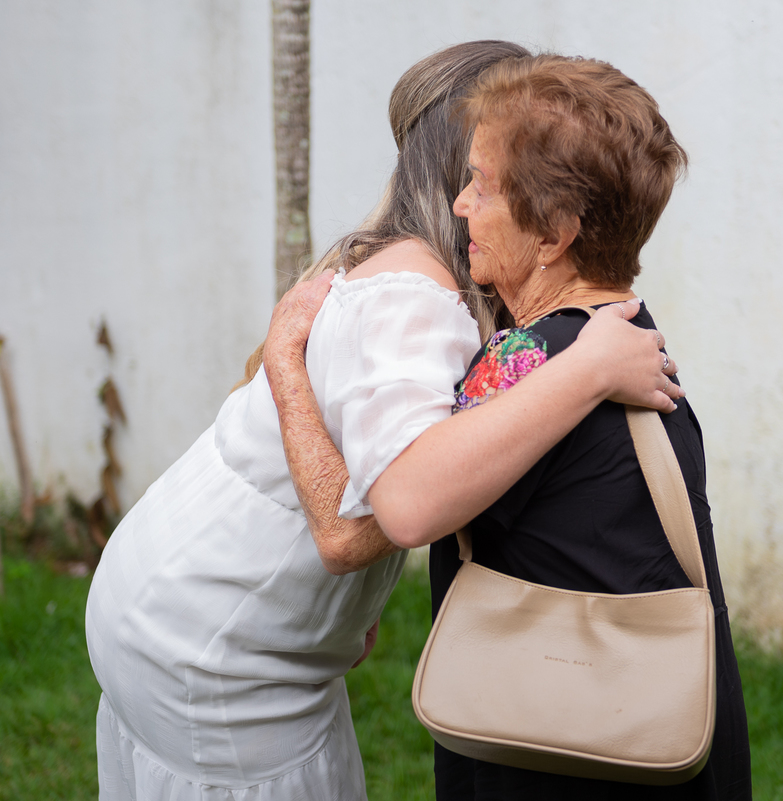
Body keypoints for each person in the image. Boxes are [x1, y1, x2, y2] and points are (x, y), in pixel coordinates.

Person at [84, 41, 681, 801]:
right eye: (480, 172)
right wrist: (587, 370)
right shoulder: (414, 294)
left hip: (182, 601)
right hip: (214, 641)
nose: (470, 199)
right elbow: (356, 526)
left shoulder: (408, 271)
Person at [266, 54, 752, 800]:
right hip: (667, 737)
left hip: (552, 748)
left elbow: (408, 504)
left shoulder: (526, 362)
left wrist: (286, 361)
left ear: (553, 232)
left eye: (481, 184)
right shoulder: (630, 337)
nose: (460, 204)